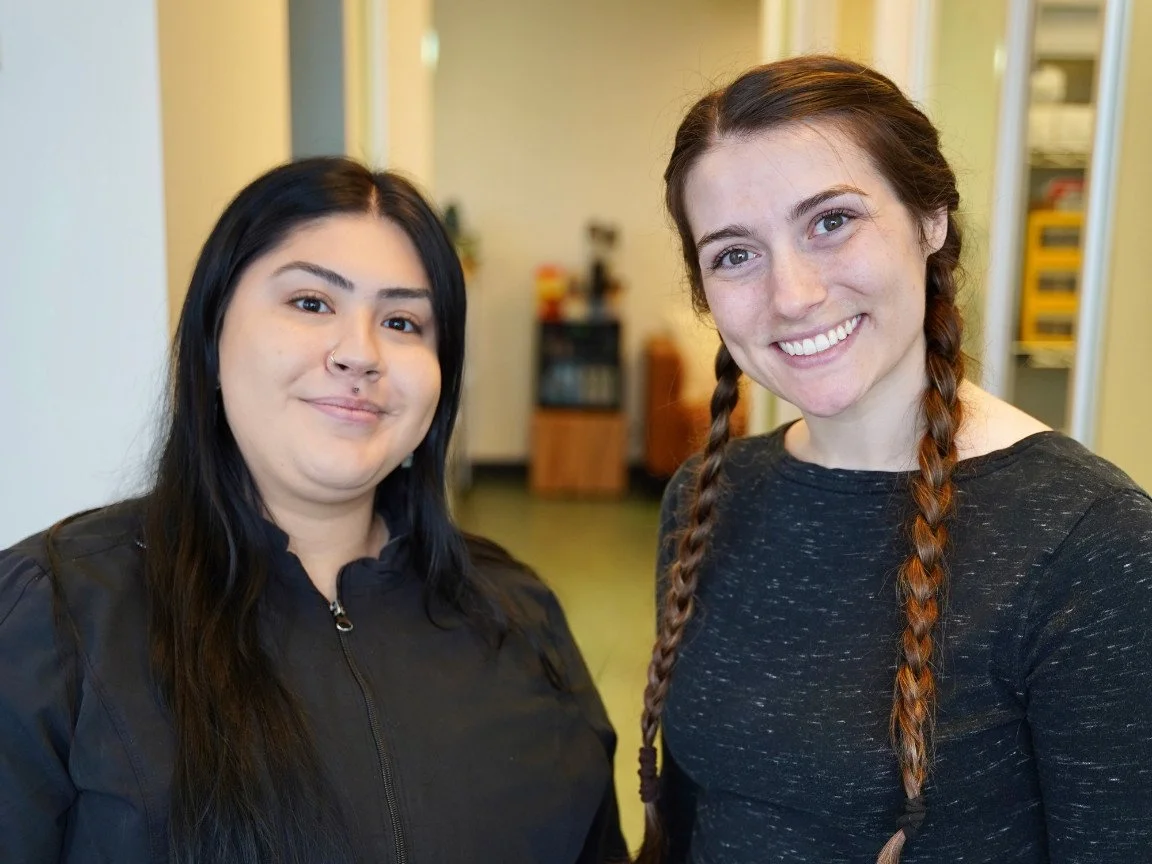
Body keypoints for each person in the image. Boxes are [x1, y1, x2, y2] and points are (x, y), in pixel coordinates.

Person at [0, 157, 626, 864]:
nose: (359, 354)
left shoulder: (518, 614)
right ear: (211, 338)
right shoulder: (53, 618)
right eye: (311, 303)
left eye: (401, 320)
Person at [632, 56, 1152, 864]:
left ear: (930, 217)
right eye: (736, 254)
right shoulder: (709, 495)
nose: (793, 293)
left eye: (831, 220)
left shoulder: (1091, 544)